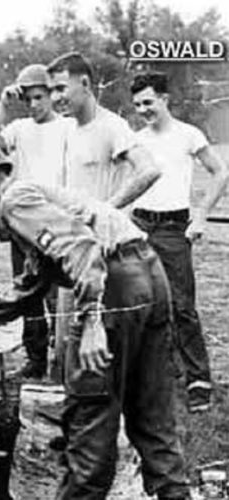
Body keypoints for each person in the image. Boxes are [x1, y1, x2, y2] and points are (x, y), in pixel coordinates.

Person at [0, 135, 190, 500]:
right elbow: (37, 278)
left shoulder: (15, 200)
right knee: (152, 418)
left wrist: (91, 323)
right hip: (147, 275)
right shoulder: (35, 194)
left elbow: (82, 248)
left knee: (89, 421)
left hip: (112, 290)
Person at [46, 52, 162, 380]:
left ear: (84, 83)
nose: (55, 98)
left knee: (100, 350)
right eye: (51, 91)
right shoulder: (68, 129)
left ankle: (115, 426)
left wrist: (107, 210)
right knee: (67, 346)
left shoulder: (112, 126)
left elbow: (150, 170)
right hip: (73, 250)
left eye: (60, 89)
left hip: (104, 255)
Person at [130, 71, 229, 412]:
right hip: (140, 225)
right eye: (137, 104)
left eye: (148, 102)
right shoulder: (136, 139)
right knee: (143, 304)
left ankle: (199, 382)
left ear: (164, 99)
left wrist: (200, 215)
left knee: (182, 306)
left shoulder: (188, 134)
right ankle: (157, 376)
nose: (143, 109)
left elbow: (220, 172)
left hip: (174, 228)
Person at [0, 63, 73, 378]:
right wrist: (3, 105)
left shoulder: (67, 127)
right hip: (21, 223)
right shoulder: (19, 129)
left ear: (52, 94)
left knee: (59, 293)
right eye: (29, 99)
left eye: (39, 97)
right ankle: (36, 358)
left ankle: (63, 357)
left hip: (54, 219)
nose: (34, 105)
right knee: (28, 293)